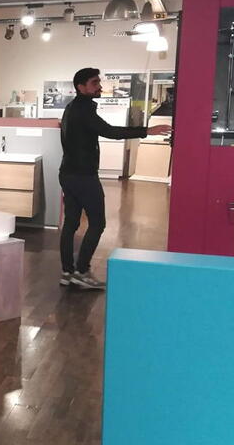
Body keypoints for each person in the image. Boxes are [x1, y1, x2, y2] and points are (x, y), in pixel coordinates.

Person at [59, 68, 172, 290]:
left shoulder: (72, 108)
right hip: (83, 176)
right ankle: (81, 272)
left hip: (68, 173)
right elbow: (111, 132)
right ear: (81, 87)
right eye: (94, 83)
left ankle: (68, 272)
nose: (100, 86)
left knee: (71, 223)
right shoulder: (84, 110)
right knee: (97, 223)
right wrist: (147, 131)